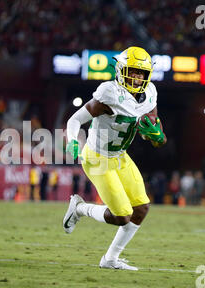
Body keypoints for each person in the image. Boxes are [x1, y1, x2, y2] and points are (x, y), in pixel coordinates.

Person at [63, 46, 167, 270]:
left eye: (141, 73)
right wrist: (72, 140)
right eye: (133, 71)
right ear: (120, 70)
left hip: (120, 156)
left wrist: (158, 135)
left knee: (141, 210)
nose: (137, 78)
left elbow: (157, 137)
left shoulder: (150, 94)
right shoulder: (109, 93)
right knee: (122, 216)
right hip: (97, 157)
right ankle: (79, 208)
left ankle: (110, 259)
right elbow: (74, 119)